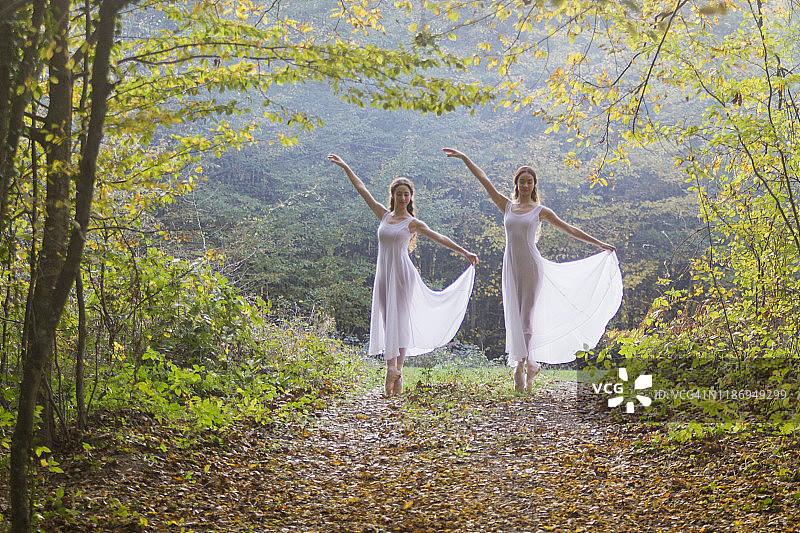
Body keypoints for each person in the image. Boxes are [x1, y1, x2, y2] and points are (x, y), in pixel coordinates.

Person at [443, 148, 623, 392]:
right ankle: (530, 364)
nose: (525, 185)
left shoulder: (541, 211)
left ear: (534, 185)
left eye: (529, 181)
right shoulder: (506, 206)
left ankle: (520, 366)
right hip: (510, 265)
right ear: (516, 184)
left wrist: (600, 244)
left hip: (531, 266)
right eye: (521, 181)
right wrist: (465, 158)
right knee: (514, 316)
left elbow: (570, 230)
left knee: (526, 317)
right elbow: (484, 180)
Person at [328, 154, 479, 397]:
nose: (403, 197)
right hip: (384, 274)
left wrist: (464, 252)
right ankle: (397, 378)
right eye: (399, 193)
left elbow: (440, 238)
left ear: (410, 198)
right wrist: (346, 166)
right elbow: (361, 188)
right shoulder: (383, 215)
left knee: (400, 321)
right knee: (389, 321)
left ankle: (393, 367)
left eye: (406, 194)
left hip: (402, 275)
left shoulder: (413, 223)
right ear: (393, 196)